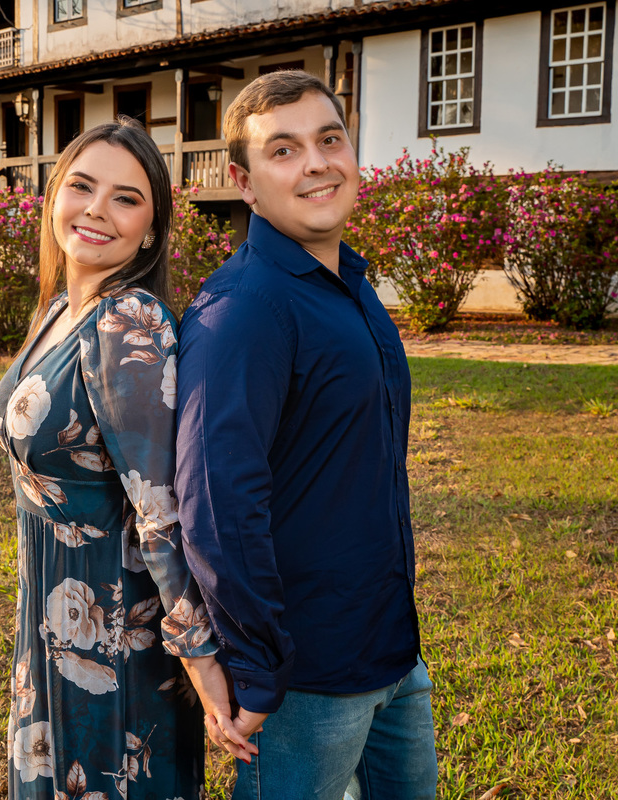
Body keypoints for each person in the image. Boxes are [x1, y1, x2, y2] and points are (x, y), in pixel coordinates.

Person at [175, 71, 438, 799]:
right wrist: (260, 666)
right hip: (306, 681)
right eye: (284, 150)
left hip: (392, 650)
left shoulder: (348, 283)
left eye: (330, 139)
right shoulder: (244, 310)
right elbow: (217, 507)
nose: (317, 164)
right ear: (244, 182)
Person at [0, 118, 254, 800]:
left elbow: (161, 510)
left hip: (112, 631)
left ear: (152, 230)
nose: (97, 209)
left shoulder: (127, 320)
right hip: (49, 613)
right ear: (54, 196)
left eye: (127, 198)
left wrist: (201, 659)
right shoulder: (60, 309)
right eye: (82, 186)